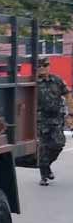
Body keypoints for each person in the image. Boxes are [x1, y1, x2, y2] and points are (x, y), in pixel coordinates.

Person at [35, 58, 70, 186]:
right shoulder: (33, 82)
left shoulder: (57, 80)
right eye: (40, 66)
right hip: (40, 118)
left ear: (49, 66)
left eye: (45, 65)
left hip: (56, 118)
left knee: (59, 144)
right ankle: (43, 175)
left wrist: (71, 113)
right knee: (43, 146)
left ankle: (47, 166)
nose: (42, 68)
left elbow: (68, 94)